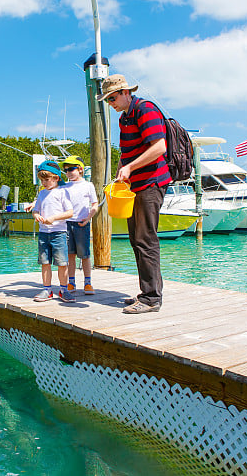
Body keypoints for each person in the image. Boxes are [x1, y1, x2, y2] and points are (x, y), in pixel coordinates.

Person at [98, 74, 171, 314]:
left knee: (146, 239)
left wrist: (130, 167)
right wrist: (123, 166)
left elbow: (159, 147)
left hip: (151, 183)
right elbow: (128, 151)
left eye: (113, 97)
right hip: (135, 186)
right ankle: (146, 293)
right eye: (107, 100)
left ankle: (151, 299)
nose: (111, 103)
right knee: (136, 239)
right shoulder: (124, 118)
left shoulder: (145, 109)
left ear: (127, 92)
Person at [32, 160, 74, 303]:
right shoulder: (42, 194)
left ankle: (64, 289)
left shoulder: (62, 192)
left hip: (59, 233)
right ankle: (47, 290)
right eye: (42, 180)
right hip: (44, 233)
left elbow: (70, 212)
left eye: (47, 180)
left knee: (62, 263)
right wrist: (36, 215)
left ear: (56, 178)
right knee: (45, 262)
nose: (44, 183)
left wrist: (54, 218)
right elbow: (36, 209)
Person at [60, 156, 99, 295]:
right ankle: (71, 282)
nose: (68, 172)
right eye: (66, 170)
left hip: (82, 223)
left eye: (71, 169)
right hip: (67, 223)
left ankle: (87, 283)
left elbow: (95, 204)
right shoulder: (64, 186)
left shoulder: (88, 185)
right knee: (70, 255)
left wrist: (89, 218)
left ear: (80, 169)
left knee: (85, 255)